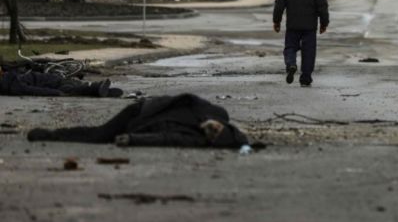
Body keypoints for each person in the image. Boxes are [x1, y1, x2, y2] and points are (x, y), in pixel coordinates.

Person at [27, 93, 249, 148]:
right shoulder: (216, 111)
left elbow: (164, 139)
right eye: (217, 129)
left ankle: (50, 136)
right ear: (223, 125)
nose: (211, 129)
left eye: (213, 134)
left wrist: (132, 139)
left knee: (101, 136)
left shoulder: (196, 139)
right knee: (100, 135)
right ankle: (49, 135)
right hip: (142, 111)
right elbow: (186, 97)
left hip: (140, 123)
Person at [273, 0, 329, 87]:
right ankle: (305, 78)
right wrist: (324, 23)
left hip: (292, 25)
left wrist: (277, 21)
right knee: (309, 51)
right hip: (310, 27)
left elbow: (279, 6)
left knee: (290, 47)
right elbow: (323, 7)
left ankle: (291, 64)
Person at [0, 65, 120, 97]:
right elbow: (31, 90)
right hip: (53, 85)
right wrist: (54, 93)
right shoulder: (12, 84)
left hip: (53, 80)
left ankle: (99, 91)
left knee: (75, 85)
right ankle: (96, 88)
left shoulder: (10, 77)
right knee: (71, 89)